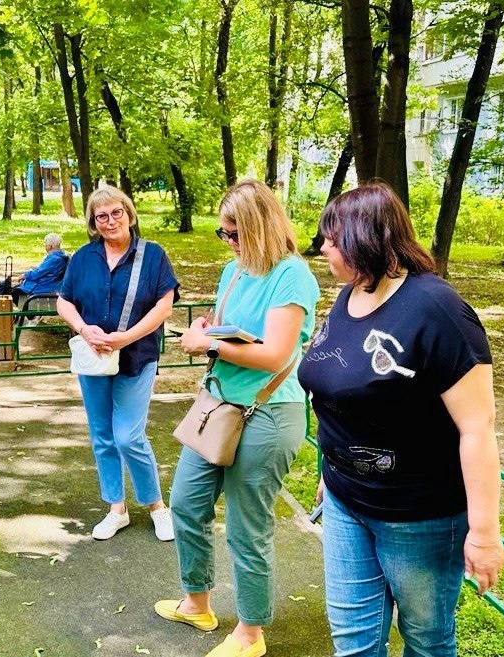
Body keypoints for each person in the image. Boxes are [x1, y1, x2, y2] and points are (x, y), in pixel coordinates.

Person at [297, 182, 504, 657]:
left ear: (364, 239)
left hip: (419, 516)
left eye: (332, 238)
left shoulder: (438, 310)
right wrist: (332, 470)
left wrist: (484, 534)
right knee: (353, 642)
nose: (323, 247)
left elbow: (478, 428)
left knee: (426, 641)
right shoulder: (351, 294)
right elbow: (340, 392)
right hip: (346, 502)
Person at [156, 179, 320, 657]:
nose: (228, 241)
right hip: (219, 406)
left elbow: (274, 355)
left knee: (248, 527)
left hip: (268, 412)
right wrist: (205, 330)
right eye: (223, 233)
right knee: (186, 504)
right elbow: (224, 327)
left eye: (236, 233)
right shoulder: (234, 270)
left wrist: (207, 344)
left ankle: (250, 633)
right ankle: (197, 603)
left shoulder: (292, 275)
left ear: (261, 226)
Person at [56, 186, 179, 542]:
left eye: (116, 213)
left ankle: (157, 506)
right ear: (93, 222)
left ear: (129, 213)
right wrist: (84, 329)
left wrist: (126, 338)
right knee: (103, 436)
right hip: (94, 360)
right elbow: (65, 301)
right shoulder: (83, 258)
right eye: (102, 216)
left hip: (137, 357)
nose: (110, 221)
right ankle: (116, 509)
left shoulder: (153, 255)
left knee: (128, 435)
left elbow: (164, 306)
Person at [10, 233, 69, 307]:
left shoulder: (54, 259)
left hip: (45, 287)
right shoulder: (59, 256)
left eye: (45, 243)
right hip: (48, 284)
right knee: (16, 289)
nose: (45, 246)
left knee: (15, 292)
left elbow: (37, 274)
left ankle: (27, 311)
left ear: (50, 246)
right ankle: (25, 310)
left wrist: (25, 275)